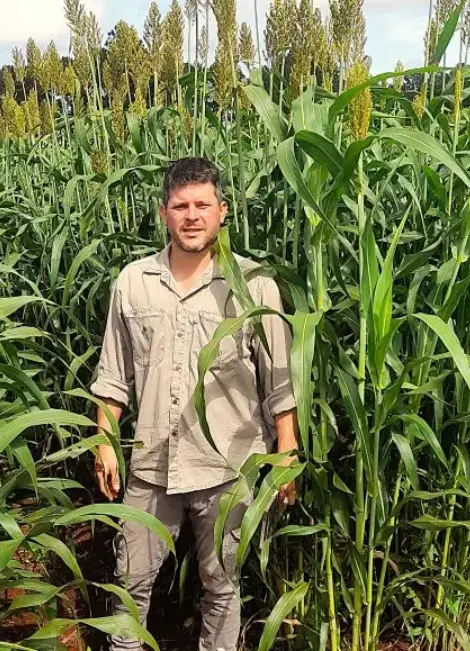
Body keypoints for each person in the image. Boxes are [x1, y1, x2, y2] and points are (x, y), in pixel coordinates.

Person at [89, 157, 299, 651]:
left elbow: (279, 382)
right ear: (163, 212)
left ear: (222, 211)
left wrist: (287, 450)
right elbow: (113, 376)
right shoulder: (133, 282)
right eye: (180, 206)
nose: (191, 216)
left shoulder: (254, 285)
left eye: (202, 205)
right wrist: (104, 442)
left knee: (221, 585)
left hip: (228, 465)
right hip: (151, 464)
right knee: (130, 583)